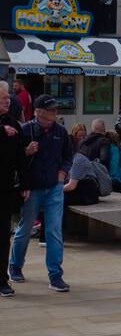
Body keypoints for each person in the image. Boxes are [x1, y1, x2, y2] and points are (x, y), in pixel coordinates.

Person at [9, 95, 73, 293]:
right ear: (38, 112)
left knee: (54, 231)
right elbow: (14, 158)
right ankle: (15, 265)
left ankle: (55, 275)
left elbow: (68, 156)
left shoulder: (61, 132)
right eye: (50, 110)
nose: (54, 113)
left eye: (55, 110)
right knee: (25, 228)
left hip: (54, 187)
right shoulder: (25, 130)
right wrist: (26, 152)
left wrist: (62, 173)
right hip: (32, 189)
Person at [0, 82, 30, 297]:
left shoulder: (14, 124)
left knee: (3, 235)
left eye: (7, 98)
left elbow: (21, 157)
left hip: (5, 188)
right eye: (2, 98)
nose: (7, 101)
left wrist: (25, 184)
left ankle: (2, 280)